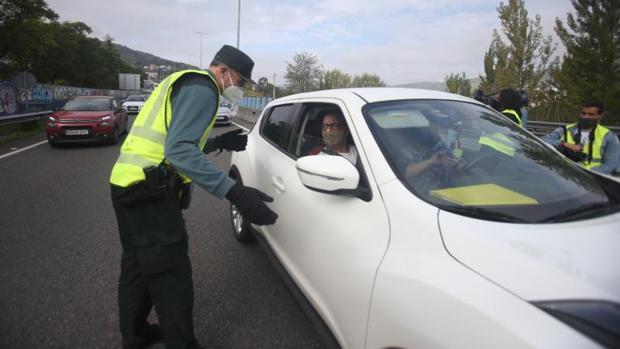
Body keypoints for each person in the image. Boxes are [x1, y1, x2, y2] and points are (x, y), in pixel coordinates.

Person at [109, 45, 278, 349]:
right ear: (223, 71)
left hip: (127, 184)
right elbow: (178, 150)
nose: (239, 89)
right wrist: (235, 192)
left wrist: (215, 142)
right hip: (150, 195)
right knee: (171, 277)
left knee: (136, 267)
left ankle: (135, 335)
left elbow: (171, 139)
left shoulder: (185, 81)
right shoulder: (204, 90)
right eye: (240, 82)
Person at [542, 101, 619, 175]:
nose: (586, 117)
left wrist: (586, 174)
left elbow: (611, 165)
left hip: (593, 179)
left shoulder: (608, 136)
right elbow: (542, 141)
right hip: (563, 176)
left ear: (600, 116)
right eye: (583, 113)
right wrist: (564, 144)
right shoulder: (564, 130)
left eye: (591, 114)